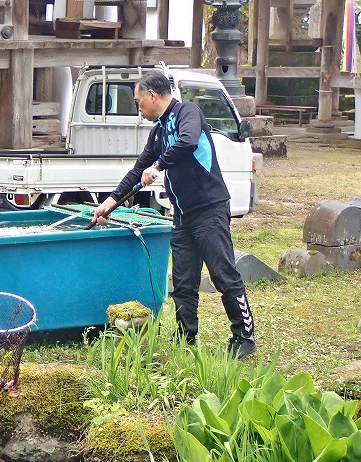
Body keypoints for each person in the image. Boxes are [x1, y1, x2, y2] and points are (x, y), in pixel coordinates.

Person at [93, 69, 257, 359]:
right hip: (182, 215)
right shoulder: (159, 131)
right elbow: (137, 168)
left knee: (223, 275)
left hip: (210, 209)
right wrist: (110, 201)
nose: (138, 108)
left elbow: (188, 143)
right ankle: (185, 338)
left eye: (138, 101)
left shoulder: (187, 113)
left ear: (153, 95)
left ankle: (244, 336)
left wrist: (158, 167)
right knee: (183, 282)